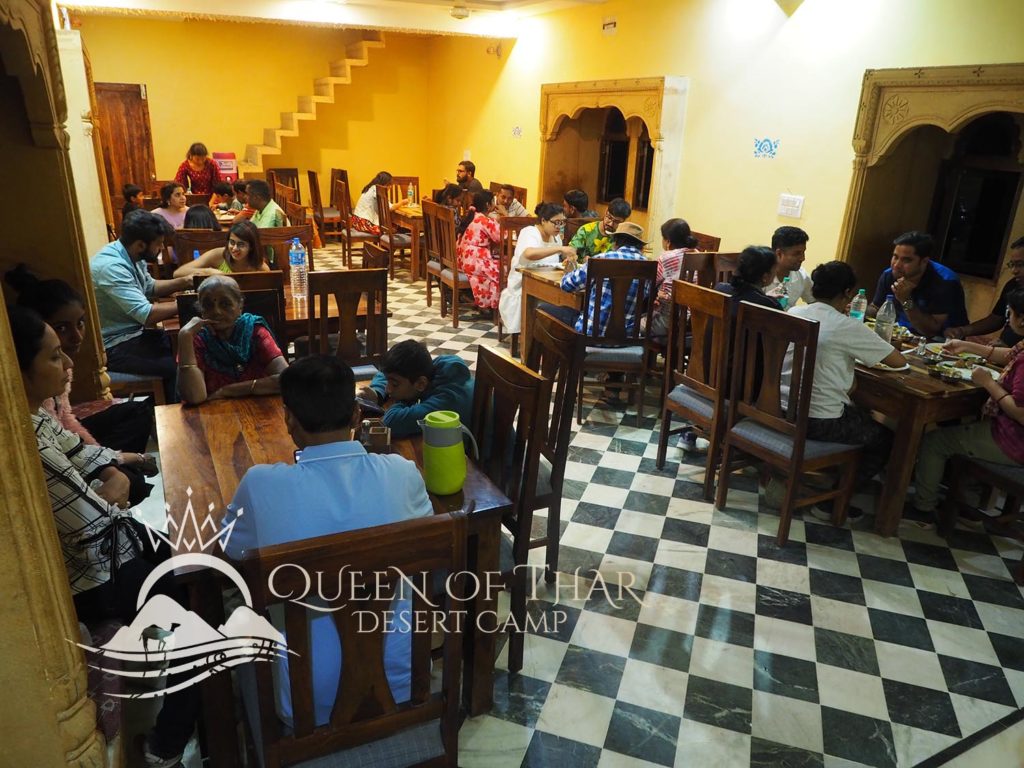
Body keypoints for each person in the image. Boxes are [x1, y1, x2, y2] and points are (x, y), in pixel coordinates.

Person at [10, 304, 198, 767]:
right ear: (17, 370)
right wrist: (117, 488)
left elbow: (85, 455)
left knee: (191, 566)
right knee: (206, 616)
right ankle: (167, 743)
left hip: (111, 547)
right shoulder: (25, 441)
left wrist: (116, 472)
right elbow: (91, 521)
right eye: (54, 357)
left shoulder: (35, 417)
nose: (69, 364)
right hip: (94, 578)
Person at [222, 355, 433, 728]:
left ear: (288, 419)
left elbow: (230, 552)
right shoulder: (401, 473)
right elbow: (424, 541)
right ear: (356, 415)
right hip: (405, 676)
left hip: (305, 699)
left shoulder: (260, 484)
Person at [6, 265, 156, 503]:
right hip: (56, 452)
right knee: (134, 481)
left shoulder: (63, 364)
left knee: (138, 410)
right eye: (62, 328)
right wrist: (119, 461)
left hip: (66, 438)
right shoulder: (34, 378)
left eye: (80, 323)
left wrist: (108, 461)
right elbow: (56, 440)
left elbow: (66, 420)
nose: (77, 337)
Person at [777, 261, 907, 520]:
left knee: (858, 415)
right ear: (848, 293)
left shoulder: (795, 313)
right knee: (884, 439)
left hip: (777, 408)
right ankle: (834, 502)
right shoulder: (846, 326)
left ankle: (831, 478)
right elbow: (898, 361)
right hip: (817, 422)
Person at [910, 288, 1024, 522]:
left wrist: (987, 383)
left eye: (1009, 312)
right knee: (963, 424)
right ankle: (955, 495)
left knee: (935, 441)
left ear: (1021, 319)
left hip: (1015, 441)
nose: (1007, 317)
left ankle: (923, 509)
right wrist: (969, 346)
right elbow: (1010, 355)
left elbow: (1021, 414)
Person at [90, 209, 192, 403]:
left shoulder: (131, 255)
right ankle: (173, 419)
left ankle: (167, 406)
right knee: (177, 365)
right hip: (112, 346)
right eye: (159, 244)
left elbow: (150, 286)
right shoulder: (112, 267)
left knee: (185, 348)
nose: (161, 248)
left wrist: (186, 282)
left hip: (132, 334)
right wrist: (190, 302)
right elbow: (146, 314)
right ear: (140, 245)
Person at [176, 275, 287, 405]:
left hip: (258, 411)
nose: (217, 311)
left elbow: (286, 380)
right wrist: (184, 335)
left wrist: (228, 391)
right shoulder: (196, 338)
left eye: (225, 304)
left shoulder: (253, 331)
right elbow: (194, 397)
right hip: (211, 414)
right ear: (201, 310)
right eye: (208, 305)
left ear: (240, 306)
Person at [361, 340, 474, 438]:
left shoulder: (447, 401)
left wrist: (405, 399)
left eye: (395, 384)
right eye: (388, 382)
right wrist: (377, 393)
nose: (388, 390)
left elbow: (390, 422)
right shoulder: (432, 368)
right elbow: (386, 371)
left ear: (421, 384)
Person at [868, 230, 967, 337]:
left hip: (942, 341)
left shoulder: (945, 281)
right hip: (903, 334)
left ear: (924, 261)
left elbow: (931, 331)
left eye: (906, 260)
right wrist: (859, 308)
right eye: (895, 257)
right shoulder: (889, 275)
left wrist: (906, 300)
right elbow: (877, 308)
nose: (896, 265)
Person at [497, 202, 576, 336]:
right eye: (556, 222)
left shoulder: (555, 237)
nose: (559, 227)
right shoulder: (529, 232)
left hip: (546, 280)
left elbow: (556, 259)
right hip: (524, 283)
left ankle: (550, 334)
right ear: (543, 220)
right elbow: (529, 254)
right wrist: (560, 248)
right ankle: (531, 338)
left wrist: (568, 259)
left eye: (562, 223)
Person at [945, 236, 1024, 347]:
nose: (1014, 271)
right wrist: (962, 330)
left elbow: (930, 327)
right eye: (1012, 265)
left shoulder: (944, 279)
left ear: (923, 260)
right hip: (1003, 354)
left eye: (1020, 265)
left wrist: (910, 302)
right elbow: (996, 319)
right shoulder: (1013, 285)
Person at [650, 218, 699, 339]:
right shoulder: (698, 254)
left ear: (668, 242)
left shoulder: (666, 258)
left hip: (668, 321)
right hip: (693, 321)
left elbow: (650, 283)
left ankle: (646, 356)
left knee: (633, 324)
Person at [457, 189, 503, 309]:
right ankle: (494, 307)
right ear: (488, 205)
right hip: (475, 262)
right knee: (505, 269)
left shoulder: (472, 216)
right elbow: (502, 236)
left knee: (501, 262)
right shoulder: (485, 220)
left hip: (463, 260)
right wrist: (504, 215)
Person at [173, 220, 268, 277]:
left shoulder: (260, 267)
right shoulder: (218, 254)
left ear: (251, 247)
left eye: (241, 244)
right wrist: (207, 271)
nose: (234, 248)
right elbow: (178, 273)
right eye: (232, 242)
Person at [765, 225, 814, 307]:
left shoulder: (802, 276)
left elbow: (814, 302)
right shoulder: (760, 274)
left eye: (803, 252)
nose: (803, 258)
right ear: (779, 254)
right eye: (797, 253)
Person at [349, 171, 398, 235]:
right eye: (389, 184)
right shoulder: (377, 190)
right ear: (384, 183)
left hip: (357, 220)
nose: (390, 187)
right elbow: (390, 208)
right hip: (363, 223)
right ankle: (386, 243)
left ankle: (384, 244)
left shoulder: (371, 187)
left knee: (393, 227)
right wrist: (403, 202)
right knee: (391, 230)